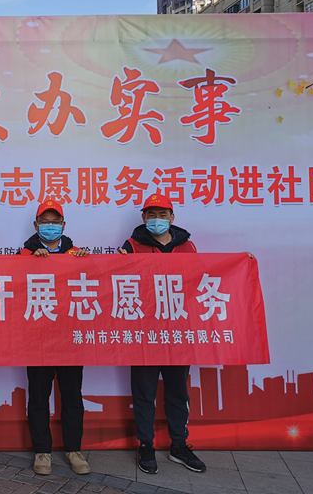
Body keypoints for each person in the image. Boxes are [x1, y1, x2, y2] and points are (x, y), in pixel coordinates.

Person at [117, 192, 206, 475]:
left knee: (178, 391)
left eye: (162, 215)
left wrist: (242, 261)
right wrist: (118, 263)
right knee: (144, 393)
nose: (157, 219)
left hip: (177, 332)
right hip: (144, 333)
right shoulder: (131, 246)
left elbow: (199, 280)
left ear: (172, 217)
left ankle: (179, 445)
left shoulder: (187, 246)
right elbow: (120, 283)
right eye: (152, 215)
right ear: (144, 217)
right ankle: (146, 445)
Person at [19, 199, 91, 476]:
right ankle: (42, 451)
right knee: (39, 396)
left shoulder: (76, 254)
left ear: (63, 224)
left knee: (72, 396)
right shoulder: (23, 255)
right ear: (36, 225)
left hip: (70, 338)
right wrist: (30, 264)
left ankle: (73, 450)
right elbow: (15, 292)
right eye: (45, 222)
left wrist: (88, 264)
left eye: (55, 222)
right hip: (37, 339)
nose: (50, 226)